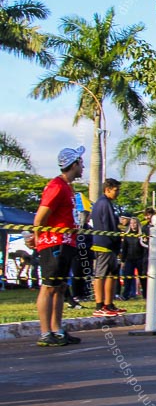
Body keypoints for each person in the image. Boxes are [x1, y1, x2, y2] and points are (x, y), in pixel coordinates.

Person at [28, 146, 85, 346]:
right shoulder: (56, 186)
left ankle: (57, 329)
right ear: (74, 164)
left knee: (60, 287)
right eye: (80, 162)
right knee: (48, 287)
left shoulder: (68, 187)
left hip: (66, 243)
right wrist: (37, 238)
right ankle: (45, 333)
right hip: (54, 243)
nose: (83, 166)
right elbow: (40, 217)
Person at [91, 178, 125, 317]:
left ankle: (109, 303)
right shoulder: (104, 204)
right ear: (108, 189)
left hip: (110, 246)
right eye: (116, 190)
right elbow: (109, 226)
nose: (117, 193)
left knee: (112, 275)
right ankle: (99, 305)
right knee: (101, 274)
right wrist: (116, 239)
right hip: (104, 244)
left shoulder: (106, 203)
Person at [120, 216, 148, 299]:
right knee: (127, 277)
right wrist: (123, 260)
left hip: (140, 258)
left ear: (138, 224)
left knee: (143, 277)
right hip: (129, 259)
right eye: (131, 223)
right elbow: (124, 248)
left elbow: (146, 247)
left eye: (134, 223)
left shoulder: (142, 234)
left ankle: (145, 295)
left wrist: (145, 241)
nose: (133, 225)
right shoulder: (127, 235)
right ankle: (126, 295)